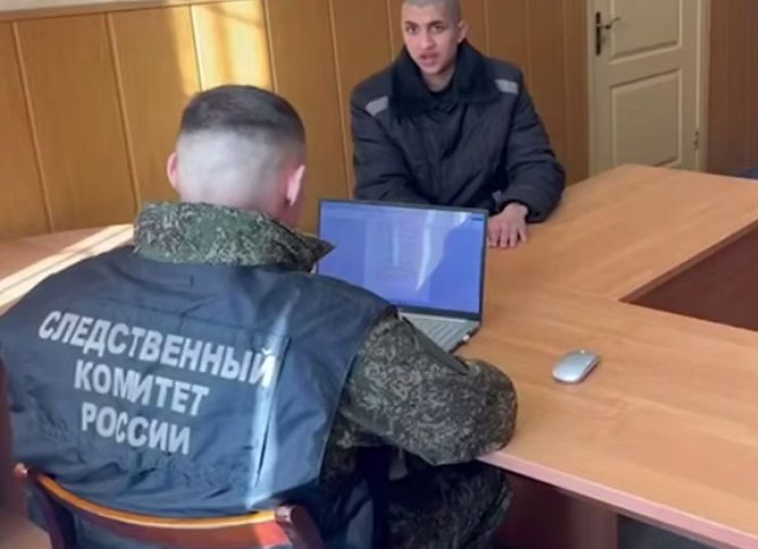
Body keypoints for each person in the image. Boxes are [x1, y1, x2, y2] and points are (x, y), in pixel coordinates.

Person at [0, 85, 516, 549]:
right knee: (480, 482)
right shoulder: (337, 326)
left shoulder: (43, 304)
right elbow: (472, 423)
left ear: (174, 170)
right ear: (294, 185)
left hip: (102, 538)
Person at [350, 0, 565, 249]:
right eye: (412, 29)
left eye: (437, 28)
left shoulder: (506, 84)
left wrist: (516, 207)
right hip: (420, 241)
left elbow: (537, 163)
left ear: (460, 32)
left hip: (497, 232)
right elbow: (380, 189)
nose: (425, 43)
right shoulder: (372, 100)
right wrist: (446, 231)